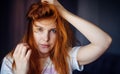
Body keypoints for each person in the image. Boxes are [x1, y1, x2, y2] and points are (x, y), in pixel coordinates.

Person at [0, 0, 112, 74]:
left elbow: (104, 41)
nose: (46, 38)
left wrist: (62, 11)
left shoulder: (67, 57)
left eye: (53, 30)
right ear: (30, 31)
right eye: (39, 30)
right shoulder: (10, 62)